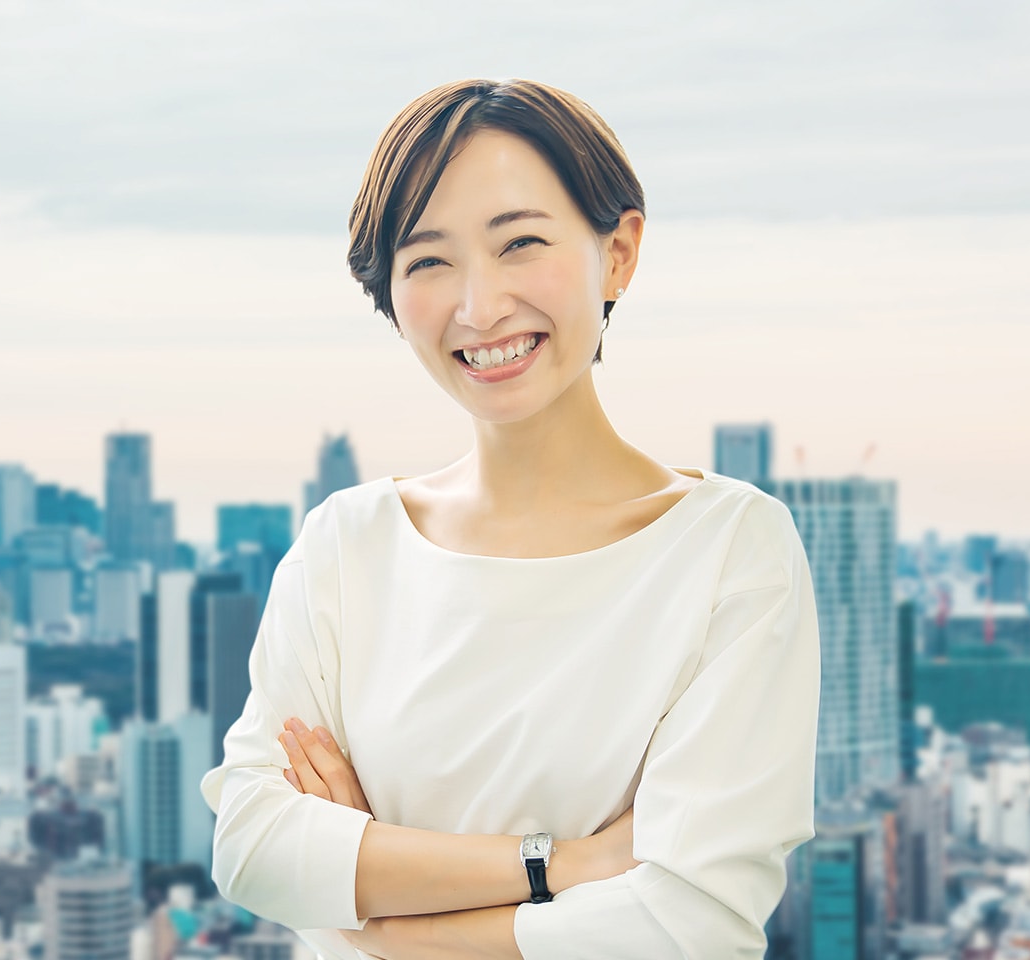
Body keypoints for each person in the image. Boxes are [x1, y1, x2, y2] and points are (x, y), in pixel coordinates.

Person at [197, 78, 822, 959]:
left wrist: (378, 922)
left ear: (619, 252)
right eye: (428, 261)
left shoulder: (728, 549)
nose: (479, 307)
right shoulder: (346, 545)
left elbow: (689, 925)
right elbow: (255, 849)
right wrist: (559, 866)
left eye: (519, 243)